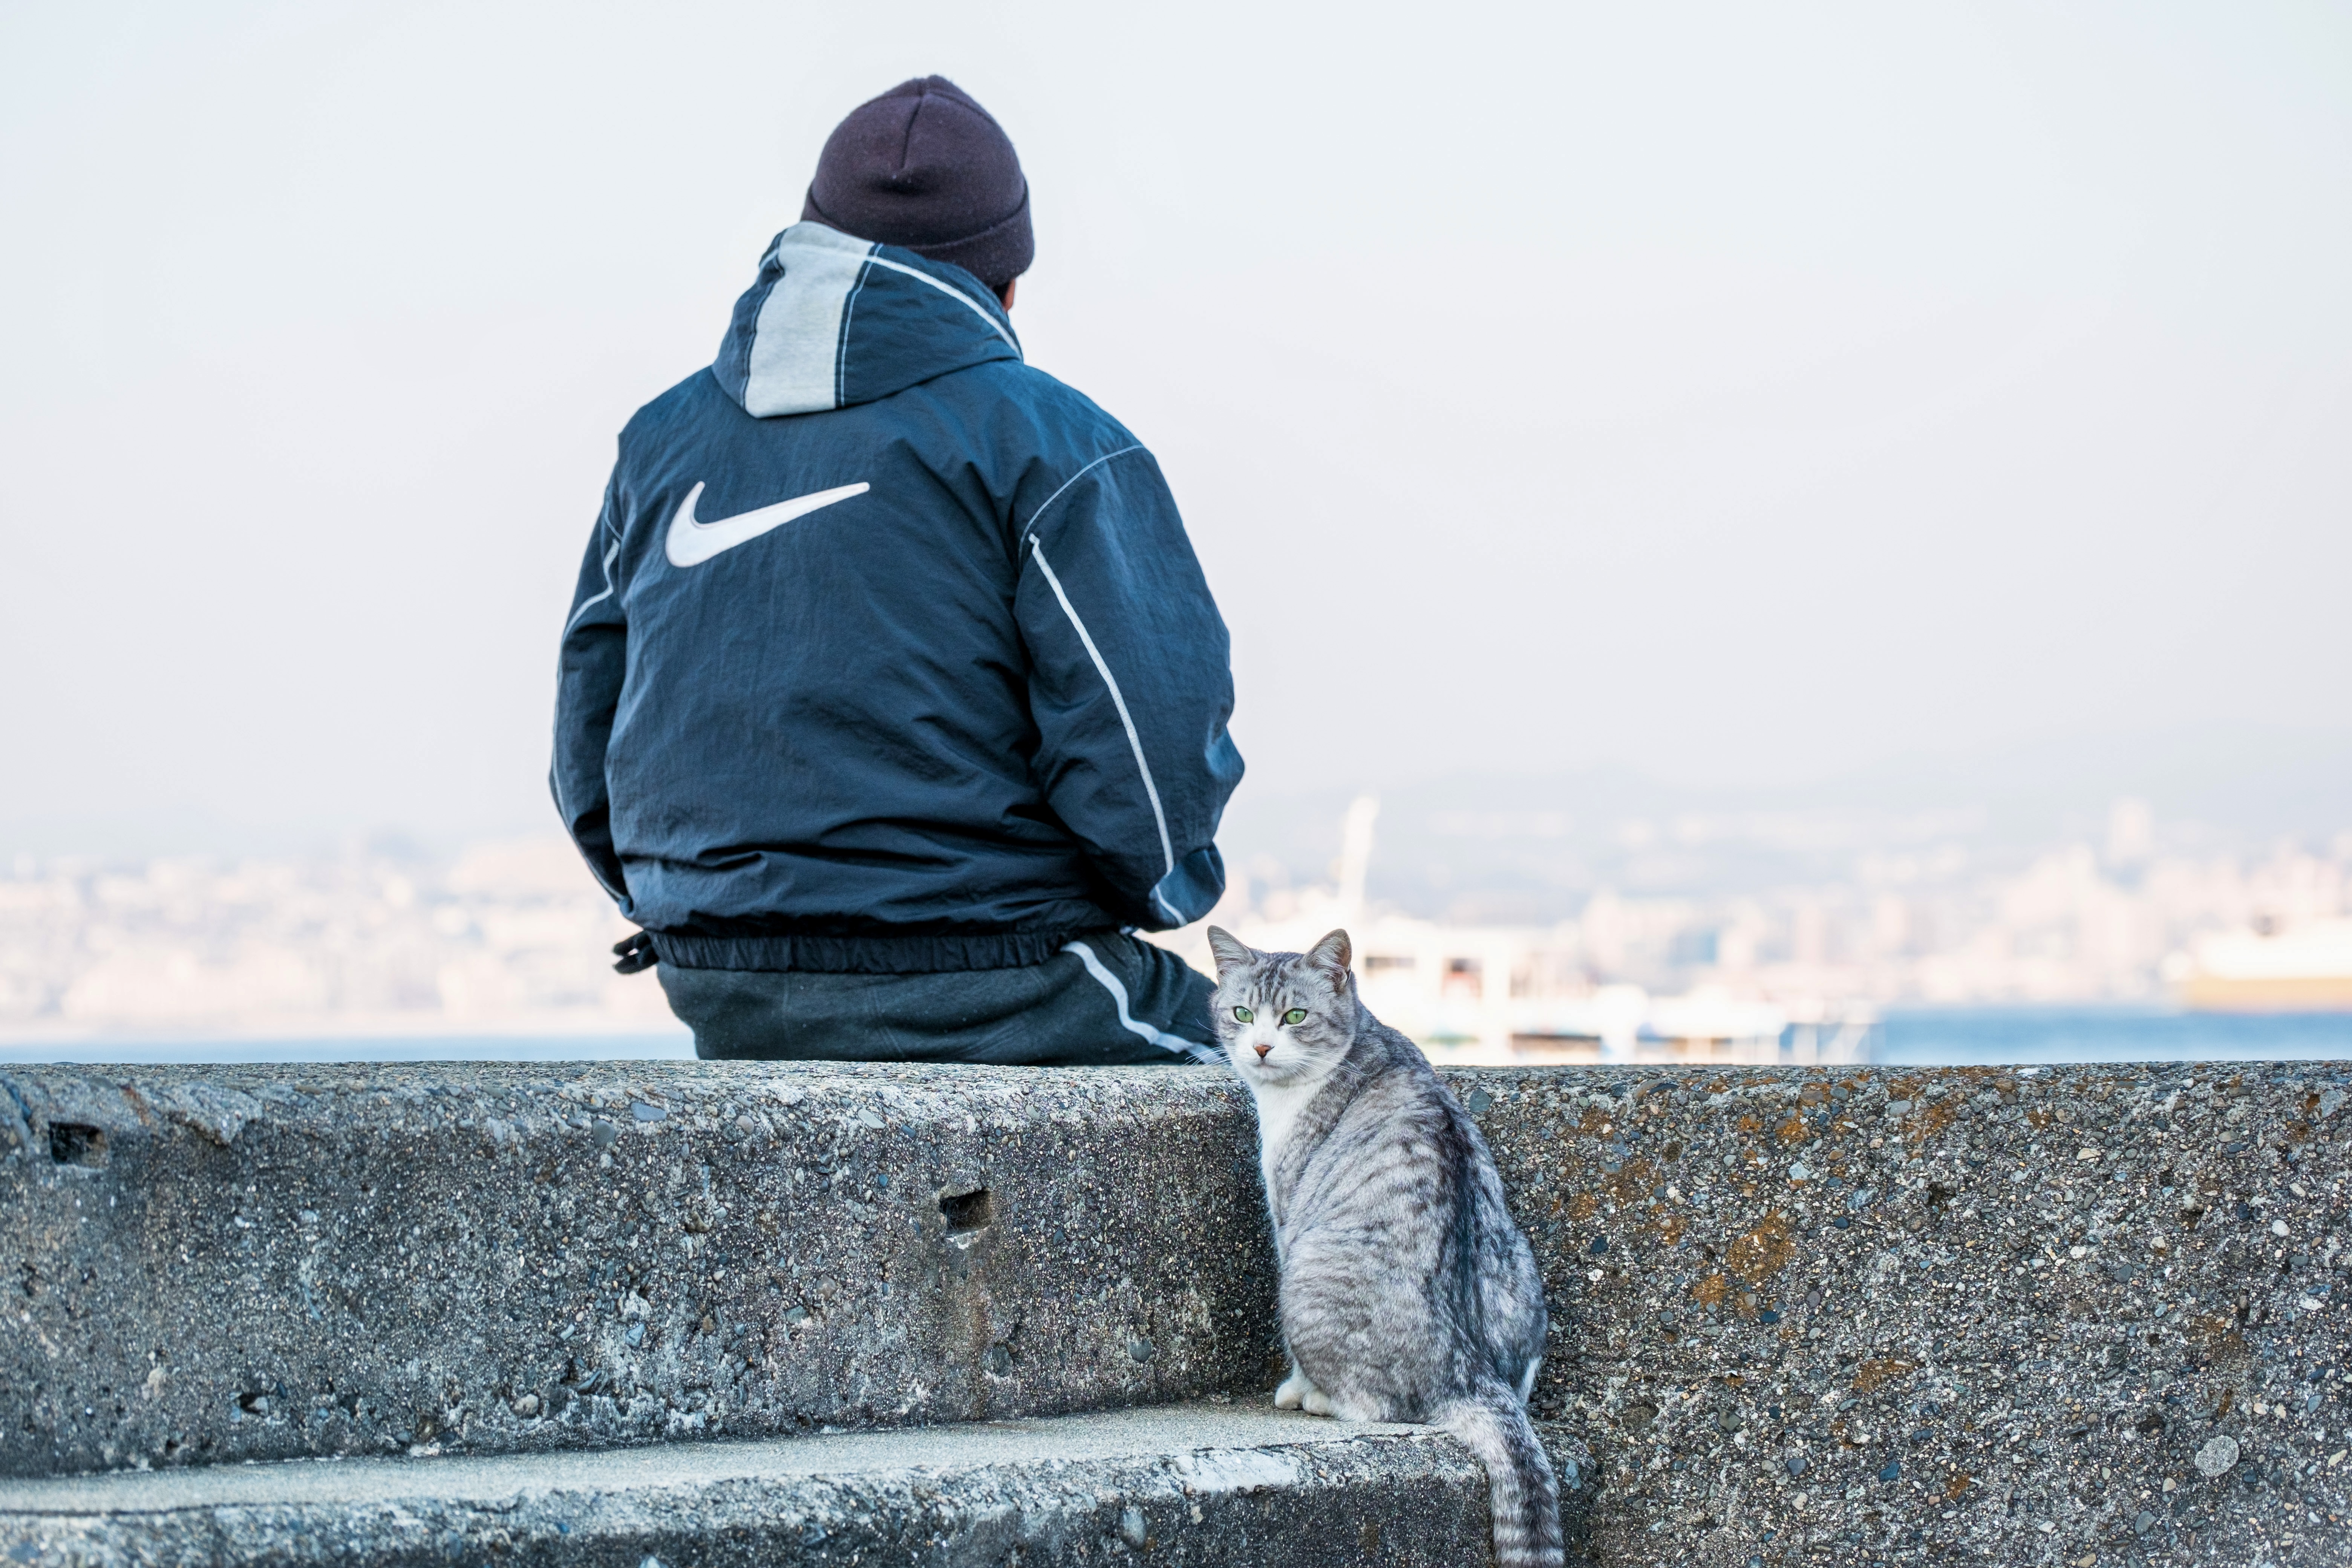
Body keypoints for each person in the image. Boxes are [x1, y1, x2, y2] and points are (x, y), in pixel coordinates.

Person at [552, 77, 1242, 1066]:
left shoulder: (659, 445)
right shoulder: (1052, 444)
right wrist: (1163, 892)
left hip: (720, 976)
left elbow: (588, 735)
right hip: (988, 972)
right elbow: (1146, 747)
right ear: (1006, 287)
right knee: (1358, 1098)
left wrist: (704, 902)